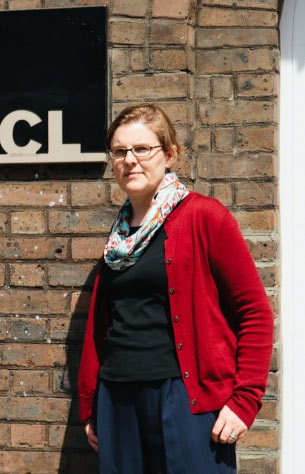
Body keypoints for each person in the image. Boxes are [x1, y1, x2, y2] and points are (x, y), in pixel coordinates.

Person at [78, 103, 273, 473]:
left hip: (185, 401)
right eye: (119, 151)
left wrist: (244, 401)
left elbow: (255, 312)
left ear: (169, 154)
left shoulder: (204, 217)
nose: (129, 160)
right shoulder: (119, 236)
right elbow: (103, 326)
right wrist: (92, 406)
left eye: (142, 149)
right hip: (117, 399)